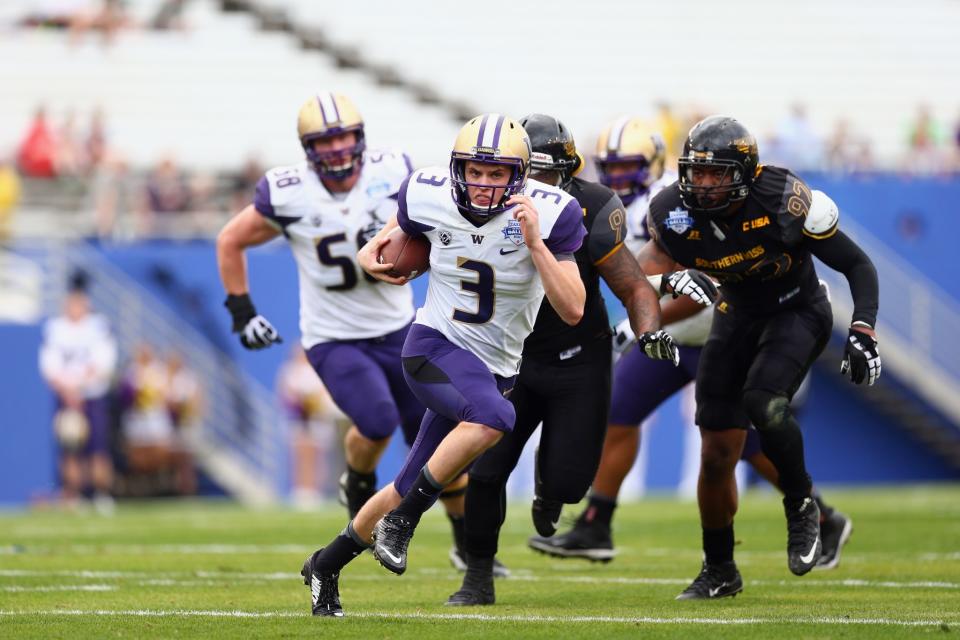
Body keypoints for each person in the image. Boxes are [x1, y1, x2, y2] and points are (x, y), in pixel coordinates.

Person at [302, 112, 616, 617]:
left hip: (495, 368)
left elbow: (573, 308)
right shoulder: (425, 192)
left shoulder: (554, 212)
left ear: (520, 174)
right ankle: (404, 522)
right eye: (474, 171)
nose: (484, 183)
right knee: (496, 418)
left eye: (497, 174)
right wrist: (371, 256)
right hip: (433, 347)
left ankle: (326, 565)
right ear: (457, 168)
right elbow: (383, 242)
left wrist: (534, 243)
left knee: (406, 480)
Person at [529, 120, 853, 574]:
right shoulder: (616, 203)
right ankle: (597, 522)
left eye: (630, 166)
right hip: (666, 337)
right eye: (612, 167)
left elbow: (715, 279)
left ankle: (819, 514)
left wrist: (640, 320)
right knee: (617, 412)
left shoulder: (688, 199)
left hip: (715, 329)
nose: (619, 177)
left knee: (741, 446)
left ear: (657, 164)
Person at [443, 113, 714, 606]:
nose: (539, 184)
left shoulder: (593, 206)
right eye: (531, 173)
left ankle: (550, 491)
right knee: (486, 470)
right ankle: (477, 578)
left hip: (576, 358)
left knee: (569, 483)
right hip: (508, 356)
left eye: (549, 174)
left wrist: (647, 327)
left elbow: (631, 282)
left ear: (568, 172)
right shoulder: (478, 199)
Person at [635, 115, 880, 599]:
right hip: (736, 313)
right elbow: (635, 275)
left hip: (798, 310)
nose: (703, 184)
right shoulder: (673, 212)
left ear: (745, 173)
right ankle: (720, 569)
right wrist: (667, 282)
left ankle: (801, 505)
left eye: (716, 173)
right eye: (696, 172)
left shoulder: (783, 199)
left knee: (763, 401)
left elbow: (857, 264)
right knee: (716, 453)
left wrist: (863, 328)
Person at [217, 92, 472, 544]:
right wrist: (242, 311)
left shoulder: (393, 171)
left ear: (361, 138)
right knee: (376, 420)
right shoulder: (288, 191)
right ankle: (357, 478)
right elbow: (230, 239)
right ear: (307, 148)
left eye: (344, 137)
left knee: (440, 444)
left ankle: (470, 550)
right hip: (334, 337)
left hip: (400, 330)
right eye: (324, 141)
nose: (336, 149)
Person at [38, 270, 118, 513]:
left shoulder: (98, 326)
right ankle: (74, 494)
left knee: (98, 448)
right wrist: (67, 390)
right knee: (70, 448)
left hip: (91, 396)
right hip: (66, 398)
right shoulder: (56, 328)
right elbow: (49, 365)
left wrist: (80, 387)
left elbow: (104, 363)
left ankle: (101, 494)